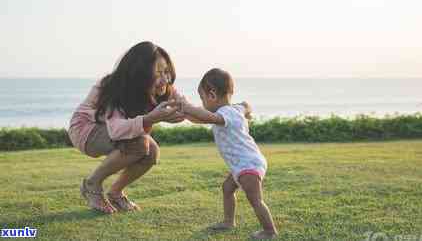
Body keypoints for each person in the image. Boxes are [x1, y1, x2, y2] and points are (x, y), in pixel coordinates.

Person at [68, 41, 184, 214]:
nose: (165, 78)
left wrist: (222, 114)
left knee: (151, 153)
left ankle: (115, 192)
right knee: (139, 144)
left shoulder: (163, 87)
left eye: (166, 71)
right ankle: (92, 184)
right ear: (141, 73)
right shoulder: (116, 87)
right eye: (159, 72)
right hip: (86, 130)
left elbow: (186, 108)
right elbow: (116, 129)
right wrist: (152, 118)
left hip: (112, 129)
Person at [180, 68, 278, 240]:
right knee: (227, 188)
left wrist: (188, 107)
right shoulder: (235, 109)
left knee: (255, 200)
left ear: (212, 95)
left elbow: (208, 118)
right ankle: (228, 222)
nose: (202, 103)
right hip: (243, 164)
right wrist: (186, 113)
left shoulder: (225, 113)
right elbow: (245, 105)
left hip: (248, 164)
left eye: (202, 98)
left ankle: (269, 231)